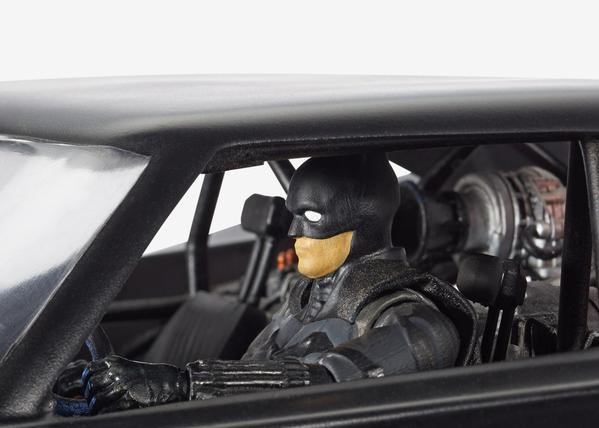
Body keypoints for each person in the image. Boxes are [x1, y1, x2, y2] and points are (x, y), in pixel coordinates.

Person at [81, 153, 476, 413]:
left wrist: (181, 384)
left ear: (365, 221)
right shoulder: (305, 296)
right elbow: (252, 369)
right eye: (293, 214)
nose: (293, 230)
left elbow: (327, 384)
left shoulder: (418, 322)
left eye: (312, 217)